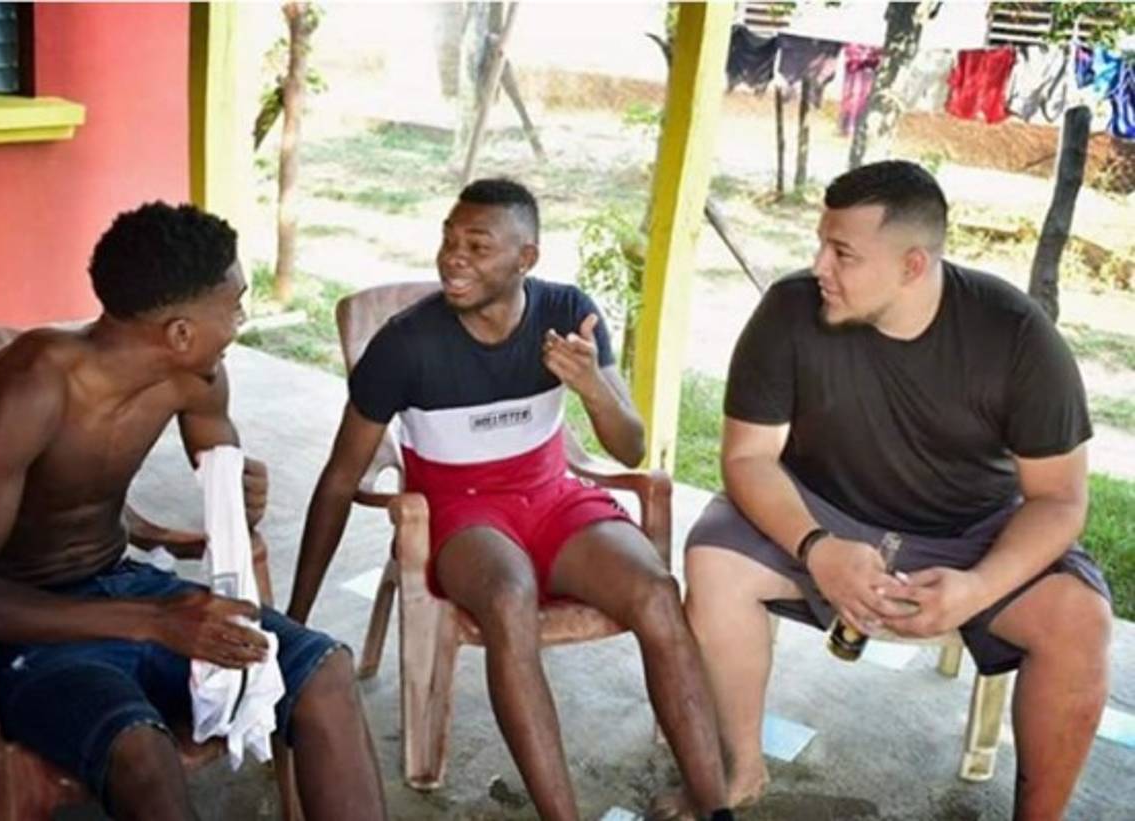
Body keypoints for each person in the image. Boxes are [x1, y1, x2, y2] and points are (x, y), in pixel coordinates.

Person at [0, 202, 387, 821]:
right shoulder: (34, 383)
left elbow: (224, 489)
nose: (242, 320)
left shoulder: (199, 379)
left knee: (326, 672)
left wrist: (239, 498)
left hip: (126, 582)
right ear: (180, 332)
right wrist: (150, 620)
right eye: (236, 305)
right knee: (139, 750)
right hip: (32, 622)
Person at [288, 178, 734, 821]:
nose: (452, 256)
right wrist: (295, 617)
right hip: (460, 512)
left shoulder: (566, 314)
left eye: (477, 244)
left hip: (552, 497)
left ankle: (714, 806)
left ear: (526, 259)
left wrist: (591, 387)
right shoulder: (404, 345)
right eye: (448, 238)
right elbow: (338, 476)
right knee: (507, 596)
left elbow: (631, 446)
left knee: (657, 593)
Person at [683, 160, 1111, 818]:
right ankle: (740, 768)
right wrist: (817, 545)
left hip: (969, 531)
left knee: (1081, 620)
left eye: (843, 252)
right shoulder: (790, 311)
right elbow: (746, 455)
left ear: (913, 265)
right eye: (821, 243)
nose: (819, 265)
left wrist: (979, 586)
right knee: (713, 562)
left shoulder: (1018, 336)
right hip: (824, 506)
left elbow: (1060, 499)